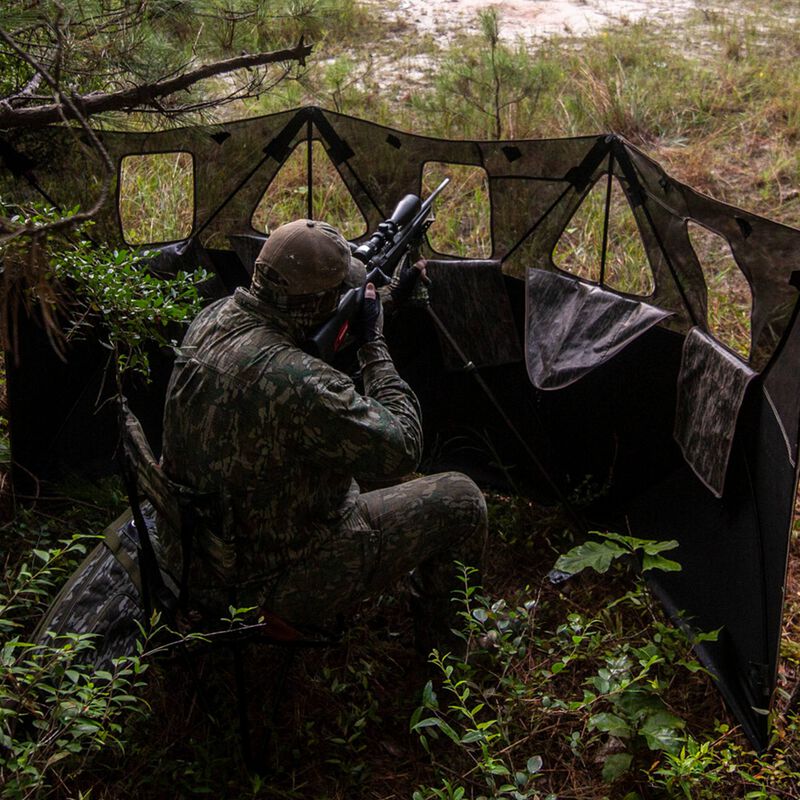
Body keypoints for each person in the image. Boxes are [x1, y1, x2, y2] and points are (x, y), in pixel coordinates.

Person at [159, 218, 487, 645]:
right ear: (313, 304)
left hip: (197, 553)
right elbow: (404, 447)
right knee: (461, 499)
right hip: (271, 580)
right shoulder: (299, 383)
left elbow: (300, 351)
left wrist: (387, 299)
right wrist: (374, 344)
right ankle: (445, 647)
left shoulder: (214, 317)